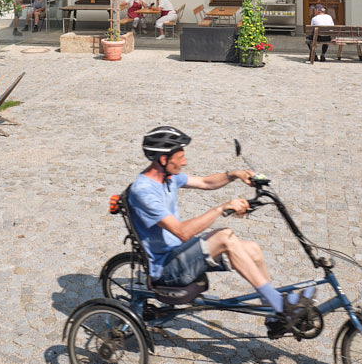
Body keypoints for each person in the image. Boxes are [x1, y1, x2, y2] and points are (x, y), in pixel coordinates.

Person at [128, 126, 309, 339]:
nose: (185, 162)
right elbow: (182, 232)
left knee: (252, 249)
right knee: (224, 236)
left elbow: (205, 182)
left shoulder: (168, 177)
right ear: (163, 159)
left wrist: (234, 174)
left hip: (180, 254)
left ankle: (273, 315)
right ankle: (279, 304)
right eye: (181, 157)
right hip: (167, 269)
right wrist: (221, 208)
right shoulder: (143, 191)